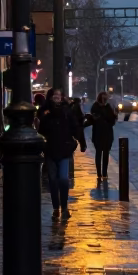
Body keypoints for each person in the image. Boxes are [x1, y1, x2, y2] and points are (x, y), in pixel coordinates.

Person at [37, 88, 86, 219]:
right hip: (51, 150)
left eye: (59, 95)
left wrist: (75, 140)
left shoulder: (67, 111)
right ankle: (56, 208)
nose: (57, 97)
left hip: (64, 150)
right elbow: (41, 129)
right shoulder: (45, 111)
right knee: (53, 180)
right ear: (50, 97)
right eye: (55, 95)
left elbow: (75, 126)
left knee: (64, 179)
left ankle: (64, 207)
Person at [89, 91, 117, 184]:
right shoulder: (95, 106)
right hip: (98, 133)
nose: (105, 99)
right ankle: (99, 173)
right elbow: (94, 118)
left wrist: (114, 115)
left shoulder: (108, 107)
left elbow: (112, 120)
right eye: (104, 97)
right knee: (98, 153)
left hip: (107, 134)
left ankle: (104, 172)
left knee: (105, 154)